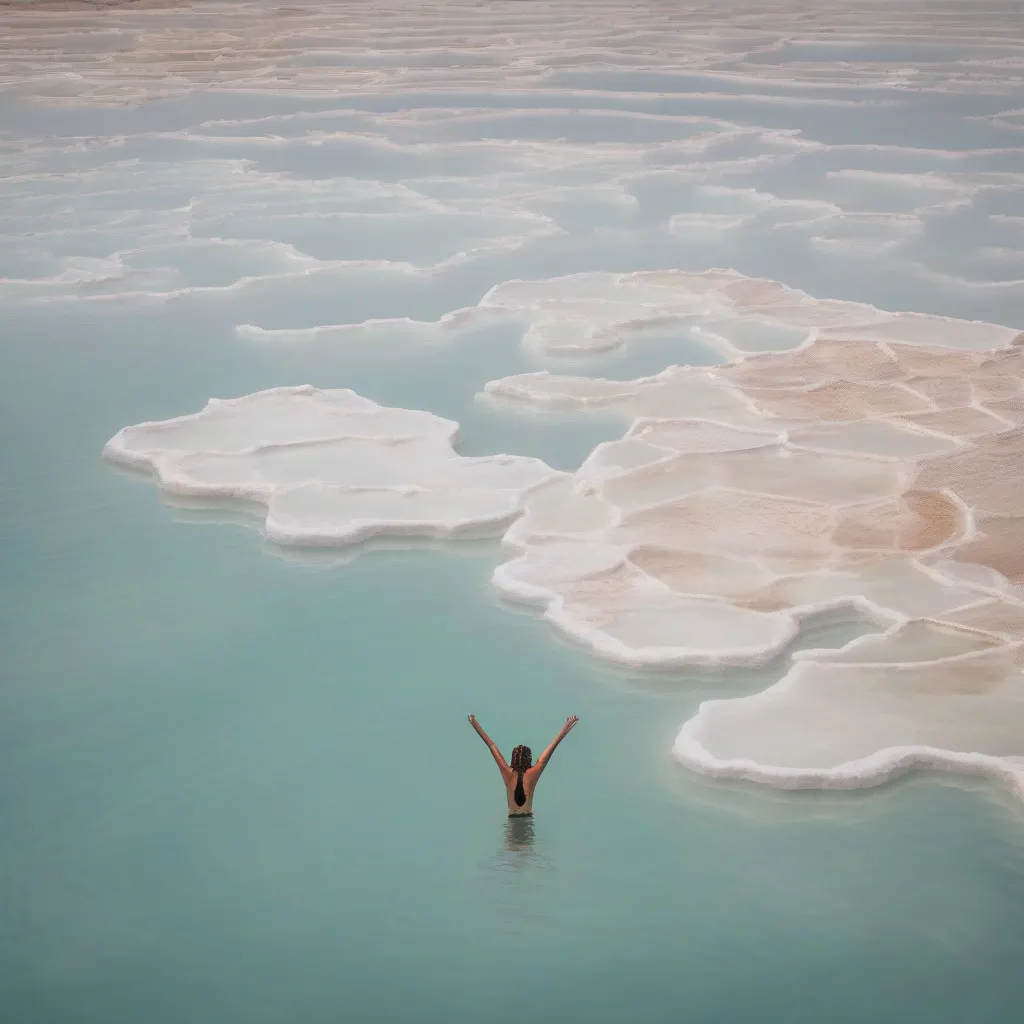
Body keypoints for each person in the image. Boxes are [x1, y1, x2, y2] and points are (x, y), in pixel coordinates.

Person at [468, 714, 579, 817]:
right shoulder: (534, 772)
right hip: (527, 819)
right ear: (529, 758)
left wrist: (474, 723)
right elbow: (553, 745)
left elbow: (491, 746)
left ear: (513, 759)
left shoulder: (507, 772)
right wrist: (568, 725)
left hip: (512, 819)